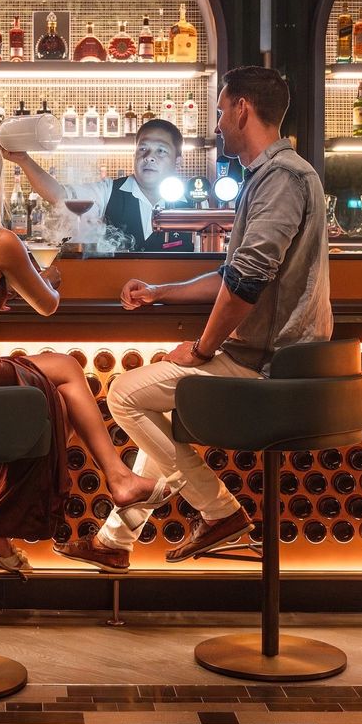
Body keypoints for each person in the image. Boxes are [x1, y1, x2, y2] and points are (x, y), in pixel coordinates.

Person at [55, 66, 333, 572]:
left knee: (123, 394)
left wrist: (203, 349)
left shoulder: (283, 178)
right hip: (268, 355)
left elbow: (246, 283)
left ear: (243, 109)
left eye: (222, 110)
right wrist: (163, 291)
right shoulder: (270, 178)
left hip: (272, 366)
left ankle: (220, 511)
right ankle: (115, 542)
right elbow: (232, 272)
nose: (218, 123)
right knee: (158, 408)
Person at [0, 137, 169, 577]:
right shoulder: (0, 241)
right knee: (64, 369)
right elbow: (47, 305)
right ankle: (117, 479)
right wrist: (48, 277)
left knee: (55, 404)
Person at [1, 119, 194, 251]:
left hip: (174, 300)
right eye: (142, 149)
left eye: (161, 151)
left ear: (178, 162)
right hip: (118, 296)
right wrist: (24, 160)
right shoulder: (108, 191)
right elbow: (59, 196)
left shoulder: (194, 203)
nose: (149, 157)